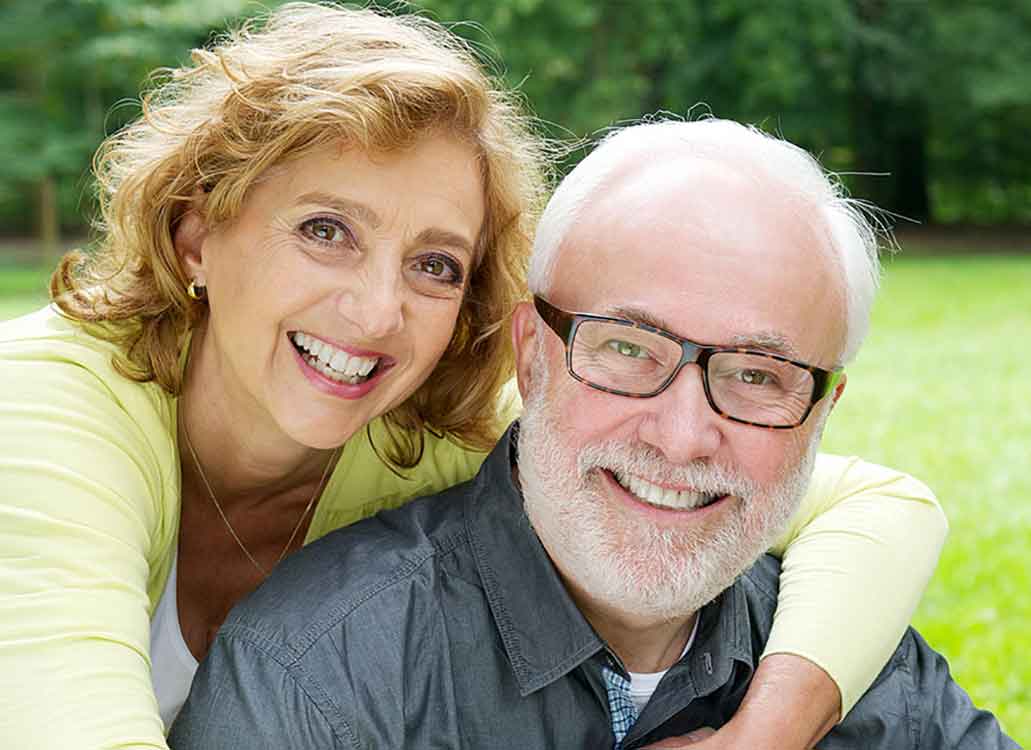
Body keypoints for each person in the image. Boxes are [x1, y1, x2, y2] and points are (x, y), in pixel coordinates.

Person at [0, 5, 946, 750]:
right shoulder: (42, 418)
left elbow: (872, 503)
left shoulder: (415, 427)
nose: (376, 313)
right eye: (326, 231)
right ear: (197, 231)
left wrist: (768, 731)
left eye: (434, 264)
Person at [171, 118, 1016, 749]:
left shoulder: (863, 671)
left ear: (824, 412)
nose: (684, 438)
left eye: (758, 375)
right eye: (626, 350)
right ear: (531, 358)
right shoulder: (326, 678)